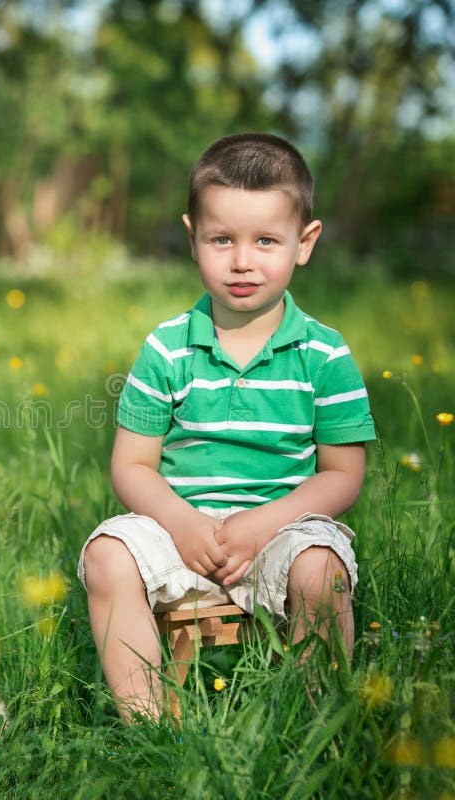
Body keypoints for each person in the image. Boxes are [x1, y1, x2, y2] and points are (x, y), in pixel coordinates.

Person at [78, 132, 376, 721]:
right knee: (109, 554)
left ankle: (311, 719)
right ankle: (151, 720)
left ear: (304, 243)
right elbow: (131, 465)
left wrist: (263, 526)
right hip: (179, 530)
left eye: (266, 240)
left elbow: (343, 475)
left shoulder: (325, 354)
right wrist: (183, 523)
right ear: (193, 239)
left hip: (282, 535)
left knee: (322, 568)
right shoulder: (167, 348)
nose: (243, 260)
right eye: (222, 240)